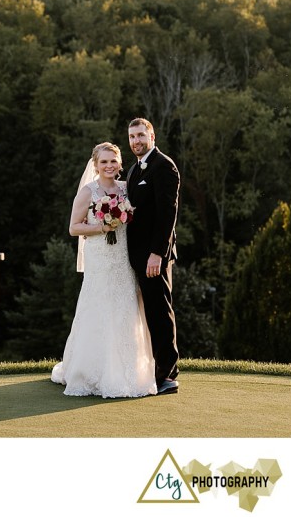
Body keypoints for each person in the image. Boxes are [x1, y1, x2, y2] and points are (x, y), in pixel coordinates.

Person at [51, 142, 157, 398]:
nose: (109, 166)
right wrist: (102, 227)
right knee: (98, 306)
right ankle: (90, 371)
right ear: (96, 165)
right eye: (104, 162)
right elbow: (74, 228)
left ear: (120, 163)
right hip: (99, 257)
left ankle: (127, 371)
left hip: (122, 257)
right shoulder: (88, 192)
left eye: (113, 161)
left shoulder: (126, 188)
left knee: (124, 307)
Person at [125, 117, 181, 394]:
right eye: (132, 137)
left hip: (153, 257)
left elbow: (167, 215)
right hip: (135, 256)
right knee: (148, 312)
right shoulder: (134, 170)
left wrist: (157, 253)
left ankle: (167, 375)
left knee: (160, 312)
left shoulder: (164, 166)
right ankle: (152, 370)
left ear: (152, 136)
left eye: (140, 135)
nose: (136, 141)